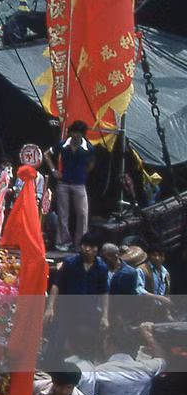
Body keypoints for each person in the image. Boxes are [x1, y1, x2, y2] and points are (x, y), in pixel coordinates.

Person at [44, 231, 108, 356]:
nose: (87, 249)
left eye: (91, 246)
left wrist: (105, 316)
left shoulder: (102, 268)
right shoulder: (70, 263)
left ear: (97, 249)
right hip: (67, 308)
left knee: (85, 343)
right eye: (85, 245)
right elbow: (56, 284)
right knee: (59, 340)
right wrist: (50, 307)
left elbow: (104, 291)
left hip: (88, 310)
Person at [45, 120, 95, 251]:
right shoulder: (62, 145)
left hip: (79, 184)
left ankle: (81, 243)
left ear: (82, 135)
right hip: (63, 183)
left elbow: (91, 164)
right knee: (63, 214)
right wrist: (53, 170)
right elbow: (46, 154)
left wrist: (83, 173)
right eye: (73, 132)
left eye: (78, 133)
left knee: (82, 214)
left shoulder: (88, 148)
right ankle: (63, 242)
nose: (75, 136)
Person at [101, 241, 142, 330]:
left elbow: (129, 297)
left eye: (105, 257)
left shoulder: (129, 273)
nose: (103, 260)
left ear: (115, 256)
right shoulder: (100, 269)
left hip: (120, 314)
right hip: (102, 311)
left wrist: (121, 315)